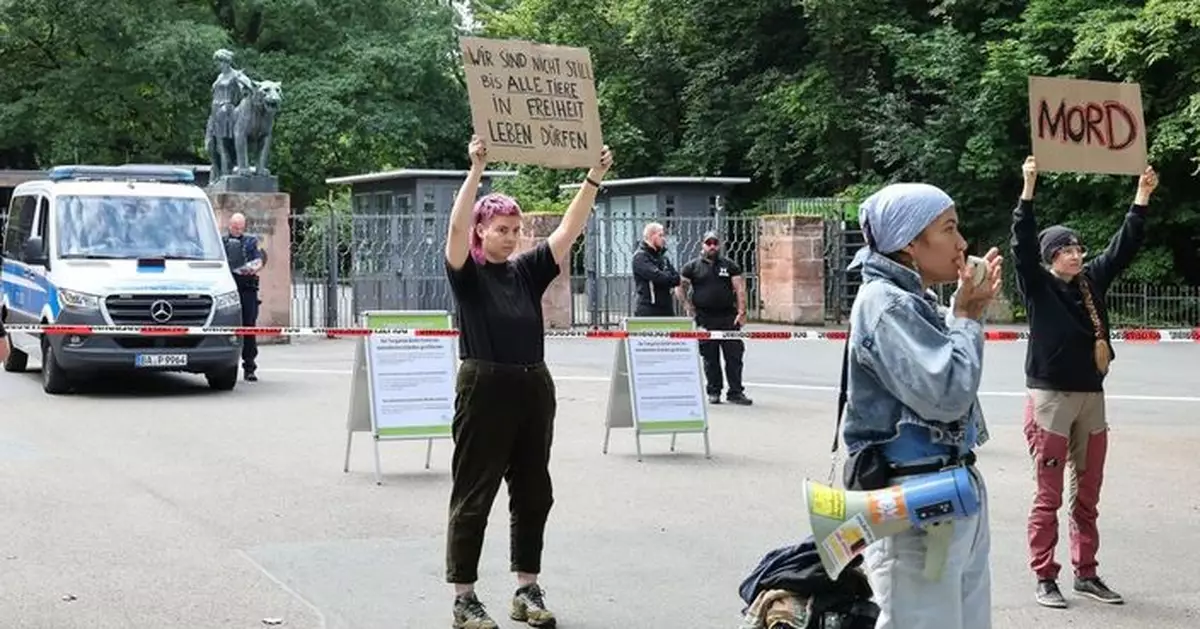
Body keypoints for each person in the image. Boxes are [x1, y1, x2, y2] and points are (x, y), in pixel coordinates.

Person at [443, 134, 613, 629]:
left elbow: (568, 230)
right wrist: (475, 170)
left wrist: (594, 177)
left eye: (516, 229)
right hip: (484, 387)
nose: (512, 236)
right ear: (481, 232)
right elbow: (454, 227)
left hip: (532, 387)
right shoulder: (467, 274)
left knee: (534, 491)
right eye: (501, 228)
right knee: (475, 493)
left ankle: (526, 590)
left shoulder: (526, 271)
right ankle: (464, 598)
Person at [839, 183, 1003, 629]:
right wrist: (966, 316)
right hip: (915, 505)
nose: (962, 242)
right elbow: (949, 395)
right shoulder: (886, 304)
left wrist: (963, 309)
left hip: (947, 493)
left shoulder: (914, 299)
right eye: (949, 228)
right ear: (910, 243)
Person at [1011, 156, 1158, 609]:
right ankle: (1045, 576)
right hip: (1051, 399)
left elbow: (1124, 245)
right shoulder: (1037, 285)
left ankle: (1086, 573)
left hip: (1092, 398)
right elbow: (1020, 244)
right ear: (1050, 257)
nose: (1075, 254)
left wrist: (1142, 197)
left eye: (1077, 248)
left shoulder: (1092, 282)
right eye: (1065, 250)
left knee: (1087, 495)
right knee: (1048, 495)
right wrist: (1028, 188)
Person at [677, 231, 751, 405]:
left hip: (728, 317)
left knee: (734, 356)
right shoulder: (692, 266)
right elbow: (680, 287)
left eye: (715, 243)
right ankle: (714, 391)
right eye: (708, 243)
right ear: (702, 244)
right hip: (705, 318)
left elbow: (739, 288)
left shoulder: (729, 265)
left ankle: (735, 392)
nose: (712, 246)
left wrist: (742, 311)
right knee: (710, 357)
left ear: (720, 245)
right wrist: (687, 306)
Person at [222, 212, 265, 381]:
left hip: (247, 289)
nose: (237, 230)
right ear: (229, 226)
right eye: (235, 227)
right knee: (224, 326)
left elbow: (259, 260)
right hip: (228, 287)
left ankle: (249, 366)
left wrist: (253, 267)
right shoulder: (222, 242)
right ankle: (224, 364)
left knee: (248, 327)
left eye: (240, 228)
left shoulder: (251, 242)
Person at [631, 221, 680, 316]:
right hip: (649, 309)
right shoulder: (640, 257)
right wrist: (667, 276)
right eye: (660, 235)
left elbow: (677, 279)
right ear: (651, 236)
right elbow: (657, 277)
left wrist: (667, 277)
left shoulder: (663, 258)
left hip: (666, 308)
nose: (664, 239)